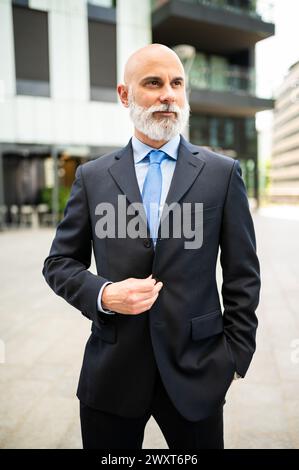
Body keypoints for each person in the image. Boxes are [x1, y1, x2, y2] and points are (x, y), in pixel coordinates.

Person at [42, 44, 260, 449]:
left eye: (177, 83)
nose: (168, 95)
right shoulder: (93, 178)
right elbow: (58, 263)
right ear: (125, 95)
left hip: (197, 370)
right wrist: (104, 294)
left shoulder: (221, 174)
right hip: (113, 373)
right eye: (154, 83)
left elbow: (243, 274)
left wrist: (235, 356)